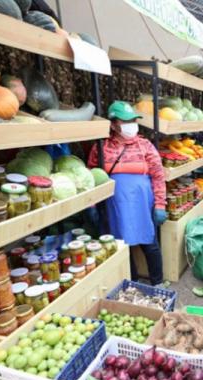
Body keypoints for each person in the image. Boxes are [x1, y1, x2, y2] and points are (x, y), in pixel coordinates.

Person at [88, 101, 166, 285]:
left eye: (133, 120)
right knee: (122, 245)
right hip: (115, 206)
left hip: (141, 204)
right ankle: (133, 281)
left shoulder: (145, 145)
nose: (131, 124)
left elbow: (158, 175)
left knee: (150, 243)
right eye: (125, 121)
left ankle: (158, 282)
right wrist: (91, 204)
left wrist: (160, 204)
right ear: (114, 124)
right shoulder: (102, 147)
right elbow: (92, 176)